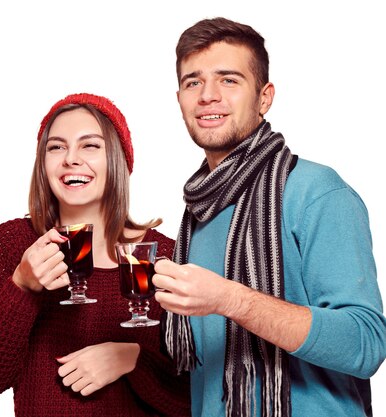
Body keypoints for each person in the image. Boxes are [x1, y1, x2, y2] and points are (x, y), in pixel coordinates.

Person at [152, 17, 386, 417]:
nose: (208, 95)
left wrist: (231, 299)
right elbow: (196, 365)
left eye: (229, 80)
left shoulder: (316, 192)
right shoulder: (196, 214)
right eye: (194, 82)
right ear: (179, 99)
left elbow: (365, 344)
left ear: (264, 97)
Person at [0, 93, 190, 416]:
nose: (71, 158)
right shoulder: (15, 243)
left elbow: (194, 397)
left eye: (90, 145)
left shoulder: (160, 255)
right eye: (56, 146)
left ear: (117, 158)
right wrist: (23, 287)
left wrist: (132, 358)